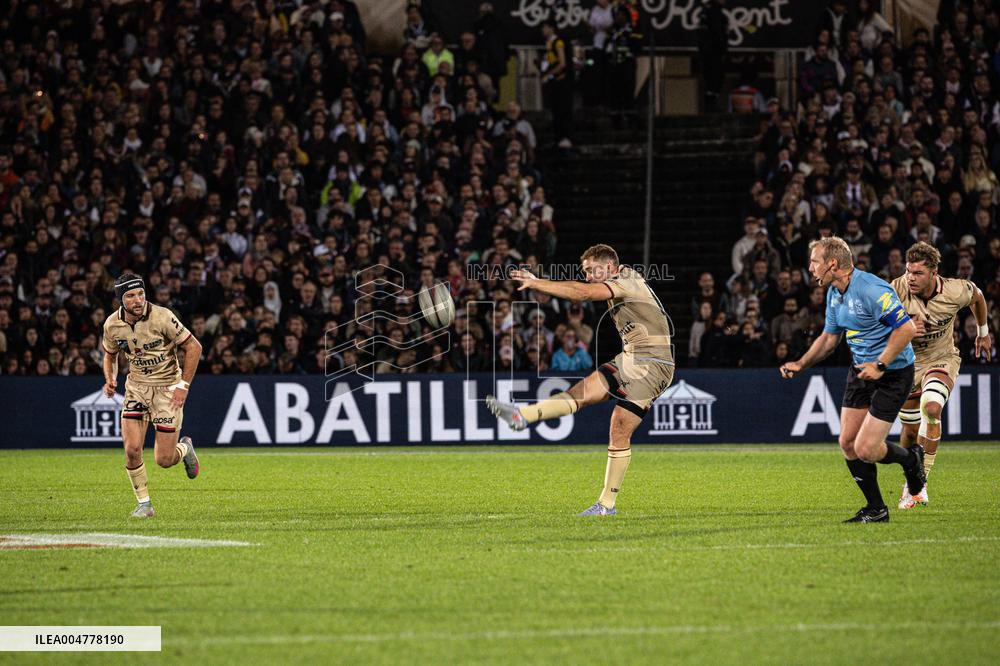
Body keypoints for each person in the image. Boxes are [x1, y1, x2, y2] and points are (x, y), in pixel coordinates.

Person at [486, 244, 674, 516]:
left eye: (589, 270)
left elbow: (583, 293)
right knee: (579, 394)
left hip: (655, 363)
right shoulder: (622, 280)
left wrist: (537, 283)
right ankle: (521, 417)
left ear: (608, 267)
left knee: (619, 427)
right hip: (631, 357)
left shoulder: (626, 279)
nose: (586, 276)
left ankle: (606, 505)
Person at [779, 237, 925, 523]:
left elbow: (906, 329)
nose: (810, 268)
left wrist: (881, 365)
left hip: (892, 373)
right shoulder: (835, 292)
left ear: (832, 264)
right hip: (861, 372)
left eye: (814, 261)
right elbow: (829, 338)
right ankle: (876, 509)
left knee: (866, 449)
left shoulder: (871, 289)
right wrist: (801, 363)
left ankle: (911, 459)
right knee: (847, 443)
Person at [891, 242, 993, 509]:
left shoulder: (955, 290)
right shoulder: (895, 289)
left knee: (932, 408)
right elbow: (877, 326)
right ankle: (911, 481)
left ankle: (919, 484)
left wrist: (983, 333)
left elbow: (978, 297)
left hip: (941, 358)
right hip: (907, 363)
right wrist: (904, 328)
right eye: (908, 271)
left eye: (917, 273)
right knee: (910, 432)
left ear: (934, 273)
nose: (910, 278)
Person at [102, 273, 203, 519]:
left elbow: (194, 347)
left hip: (167, 389)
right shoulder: (112, 325)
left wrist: (183, 385)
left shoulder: (163, 316)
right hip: (136, 387)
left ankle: (185, 449)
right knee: (132, 449)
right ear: (120, 300)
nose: (137, 300)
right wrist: (110, 377)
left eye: (140, 294)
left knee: (164, 460)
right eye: (130, 296)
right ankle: (144, 504)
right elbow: (110, 354)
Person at [540, 20, 573, 148]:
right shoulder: (548, 44)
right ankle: (558, 137)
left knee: (563, 109)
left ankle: (566, 136)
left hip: (562, 81)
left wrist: (549, 75)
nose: (543, 31)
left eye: (545, 27)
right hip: (555, 82)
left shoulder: (558, 42)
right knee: (556, 110)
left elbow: (562, 63)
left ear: (551, 28)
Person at [698, 0, 728, 111]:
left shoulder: (705, 12)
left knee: (710, 80)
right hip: (714, 52)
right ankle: (711, 106)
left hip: (707, 52)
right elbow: (717, 33)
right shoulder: (715, 13)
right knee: (715, 79)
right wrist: (722, 49)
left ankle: (710, 105)